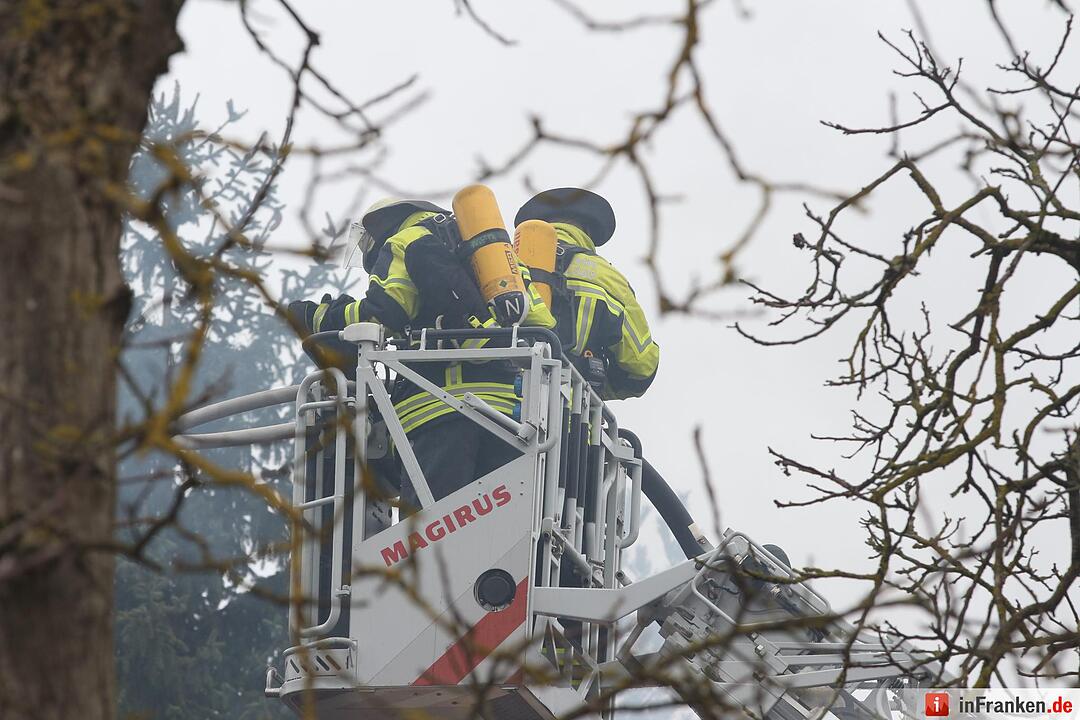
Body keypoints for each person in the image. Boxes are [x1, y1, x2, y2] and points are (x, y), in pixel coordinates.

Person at [290, 198, 555, 514]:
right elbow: (541, 321)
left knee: (429, 540)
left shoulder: (406, 239)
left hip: (439, 410)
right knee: (501, 527)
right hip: (510, 414)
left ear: (384, 223)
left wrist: (320, 316)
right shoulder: (492, 254)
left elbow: (381, 313)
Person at [514, 188, 660, 400]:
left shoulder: (500, 261)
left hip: (481, 406)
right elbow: (642, 366)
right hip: (568, 417)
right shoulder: (609, 278)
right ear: (590, 231)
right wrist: (592, 383)